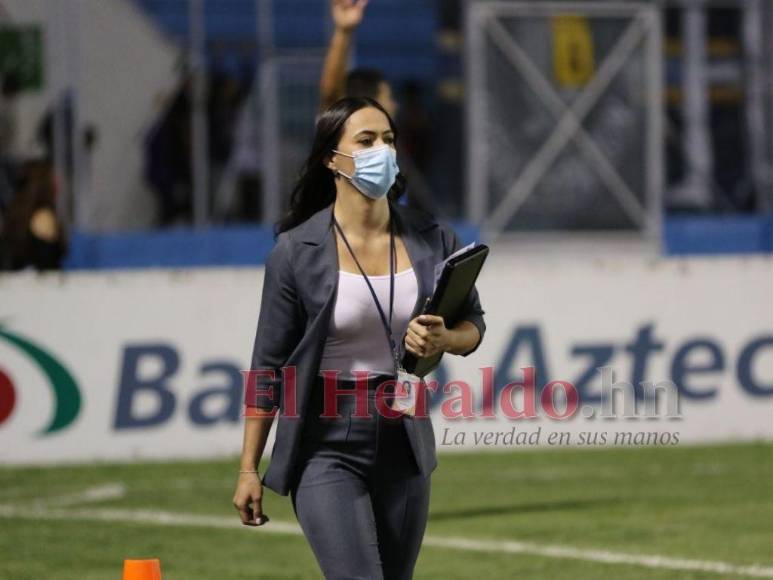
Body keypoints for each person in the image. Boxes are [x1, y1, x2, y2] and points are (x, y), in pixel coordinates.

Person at [232, 97, 486, 579]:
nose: (382, 152)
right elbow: (267, 369)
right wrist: (249, 468)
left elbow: (473, 326)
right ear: (332, 158)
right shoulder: (295, 252)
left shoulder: (434, 237)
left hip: (405, 434)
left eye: (388, 140)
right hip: (325, 440)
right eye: (366, 141)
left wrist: (445, 340)